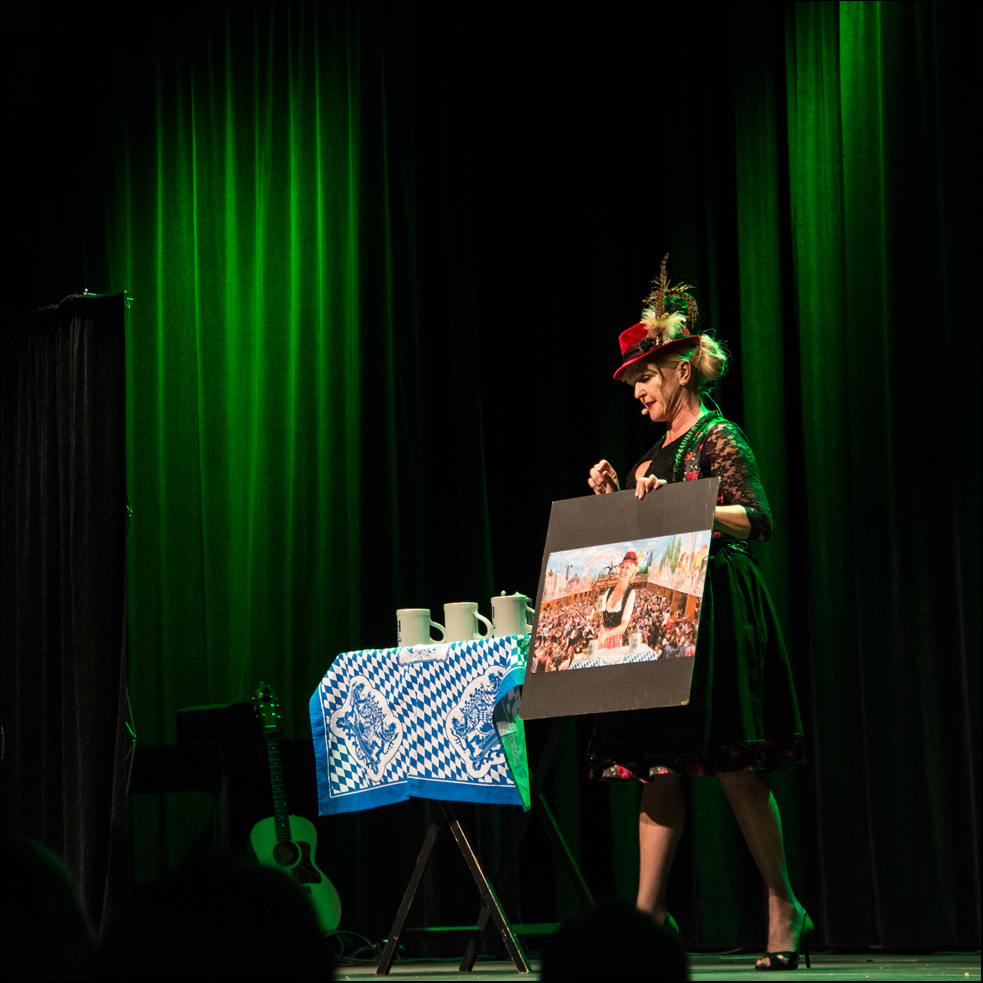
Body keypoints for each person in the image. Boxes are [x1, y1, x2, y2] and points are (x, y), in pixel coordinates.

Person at [586, 256, 811, 972]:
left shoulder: (717, 437)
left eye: (643, 378)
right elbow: (646, 546)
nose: (636, 394)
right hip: (668, 613)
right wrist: (617, 497)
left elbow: (756, 518)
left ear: (679, 369)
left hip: (718, 609)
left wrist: (682, 506)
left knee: (736, 765)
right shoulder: (654, 452)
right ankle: (649, 916)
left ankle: (782, 903)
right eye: (631, 383)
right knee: (656, 764)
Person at [592, 552, 639, 650]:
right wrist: (596, 605)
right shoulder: (610, 590)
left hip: (618, 640)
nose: (623, 571)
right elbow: (593, 615)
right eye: (622, 567)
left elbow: (623, 626)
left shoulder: (630, 593)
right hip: (603, 637)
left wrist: (606, 635)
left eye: (627, 568)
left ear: (632, 573)